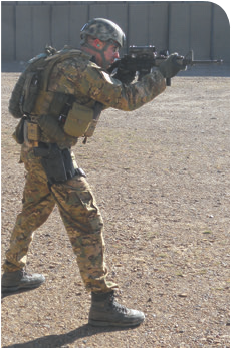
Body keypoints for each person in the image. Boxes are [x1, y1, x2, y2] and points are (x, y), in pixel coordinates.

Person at [1, 18, 182, 327]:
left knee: (32, 211)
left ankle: (11, 274)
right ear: (97, 44)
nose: (115, 55)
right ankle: (102, 302)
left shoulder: (55, 59)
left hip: (33, 149)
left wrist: (115, 75)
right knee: (88, 224)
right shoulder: (84, 70)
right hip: (54, 157)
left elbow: (72, 99)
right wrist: (160, 75)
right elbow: (127, 99)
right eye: (113, 49)